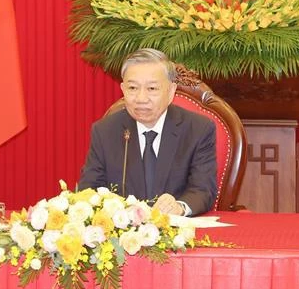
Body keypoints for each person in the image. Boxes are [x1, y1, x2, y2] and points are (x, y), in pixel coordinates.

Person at [78, 49, 217, 216]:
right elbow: (89, 191)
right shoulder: (105, 131)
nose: (141, 98)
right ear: (123, 89)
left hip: (177, 232)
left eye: (152, 88)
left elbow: (203, 189)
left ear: (171, 91)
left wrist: (179, 207)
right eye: (133, 88)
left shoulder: (197, 129)